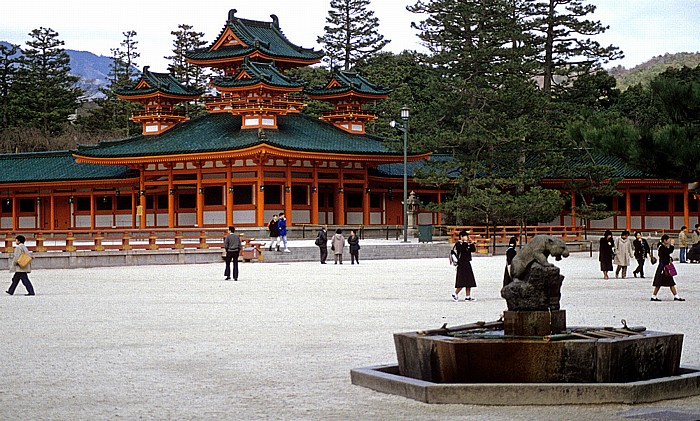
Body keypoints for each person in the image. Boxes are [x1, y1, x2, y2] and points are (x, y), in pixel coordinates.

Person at [651, 234, 685, 302]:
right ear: (664, 240)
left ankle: (675, 295)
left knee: (668, 282)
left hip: (664, 266)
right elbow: (668, 252)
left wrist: (669, 258)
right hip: (663, 267)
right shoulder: (662, 247)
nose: (669, 241)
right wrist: (672, 245)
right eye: (668, 240)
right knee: (660, 282)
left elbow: (666, 254)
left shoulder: (661, 246)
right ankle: (654, 296)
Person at [451, 230, 477, 301]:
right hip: (461, 263)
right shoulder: (458, 244)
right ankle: (455, 293)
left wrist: (471, 243)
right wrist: (465, 242)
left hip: (467, 263)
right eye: (465, 236)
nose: (466, 237)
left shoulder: (467, 243)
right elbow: (462, 250)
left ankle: (468, 296)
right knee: (462, 280)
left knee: (469, 281)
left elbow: (473, 250)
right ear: (461, 237)